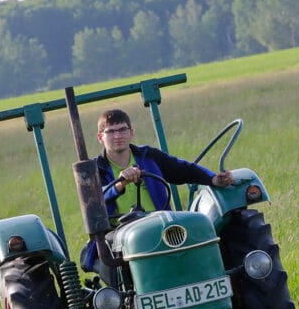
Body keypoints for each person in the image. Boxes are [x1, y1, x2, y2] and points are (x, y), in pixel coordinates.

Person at [81, 108, 235, 273]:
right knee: (113, 267)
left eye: (122, 130)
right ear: (100, 137)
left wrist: (213, 179)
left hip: (160, 225)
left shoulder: (148, 156)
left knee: (199, 239)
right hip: (119, 233)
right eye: (110, 132)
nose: (118, 136)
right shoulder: (94, 169)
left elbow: (183, 169)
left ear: (131, 133)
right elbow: (93, 200)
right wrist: (120, 183)